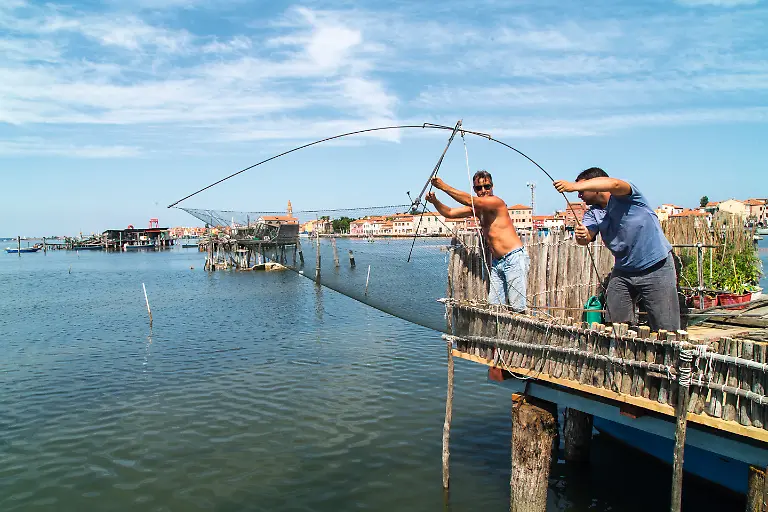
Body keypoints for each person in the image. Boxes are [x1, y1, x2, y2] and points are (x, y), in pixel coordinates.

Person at [553, 167, 680, 331]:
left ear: (596, 186)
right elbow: (585, 238)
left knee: (666, 327)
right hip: (623, 272)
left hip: (656, 266)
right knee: (616, 323)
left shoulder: (628, 197)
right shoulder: (593, 213)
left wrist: (573, 186)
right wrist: (581, 236)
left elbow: (613, 183)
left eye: (583, 189)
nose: (579, 195)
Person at [426, 170, 529, 311]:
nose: (484, 190)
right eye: (479, 188)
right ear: (475, 189)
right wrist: (435, 202)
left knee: (518, 307)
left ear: (492, 187)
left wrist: (443, 186)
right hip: (497, 262)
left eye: (487, 186)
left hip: (513, 259)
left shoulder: (496, 202)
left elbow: (469, 200)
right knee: (494, 306)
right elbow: (449, 212)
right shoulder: (477, 208)